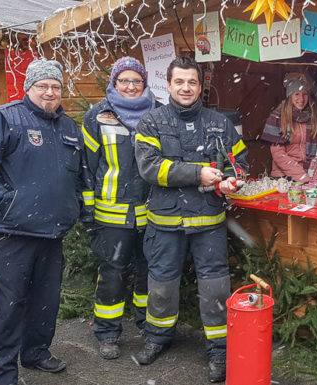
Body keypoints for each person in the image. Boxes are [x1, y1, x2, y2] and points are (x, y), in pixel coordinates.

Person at [0, 59, 91, 385]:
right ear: (28, 88)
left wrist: (74, 206)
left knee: (45, 302)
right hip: (9, 235)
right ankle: (3, 373)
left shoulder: (69, 128)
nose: (49, 92)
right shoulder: (5, 120)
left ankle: (35, 353)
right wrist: (8, 204)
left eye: (55, 87)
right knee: (7, 306)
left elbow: (77, 177)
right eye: (42, 86)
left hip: (51, 234)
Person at [134, 56, 247, 383]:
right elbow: (150, 169)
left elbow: (238, 161)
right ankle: (157, 337)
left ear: (201, 86)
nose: (186, 88)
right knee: (161, 285)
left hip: (208, 222)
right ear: (168, 85)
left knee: (215, 287)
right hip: (165, 222)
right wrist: (199, 173)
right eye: (179, 82)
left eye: (192, 82)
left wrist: (230, 180)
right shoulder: (151, 123)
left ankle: (219, 350)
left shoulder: (219, 123)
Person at [81, 57, 160, 360]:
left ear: (144, 83)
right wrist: (87, 211)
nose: (130, 86)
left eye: (136, 81)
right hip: (110, 214)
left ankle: (147, 324)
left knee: (148, 272)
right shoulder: (97, 116)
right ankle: (107, 332)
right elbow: (86, 168)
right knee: (112, 273)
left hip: (151, 213)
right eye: (123, 80)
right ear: (114, 83)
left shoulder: (157, 114)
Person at [261, 73, 317, 183]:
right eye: (296, 94)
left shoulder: (315, 116)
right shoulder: (278, 117)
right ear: (290, 95)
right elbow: (278, 154)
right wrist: (303, 178)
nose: (301, 99)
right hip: (283, 178)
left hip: (311, 176)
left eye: (305, 94)